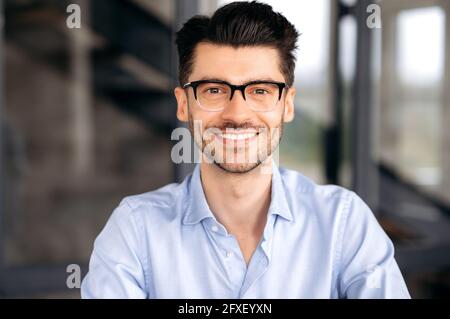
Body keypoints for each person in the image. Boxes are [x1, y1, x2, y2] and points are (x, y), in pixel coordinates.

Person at [81, 1, 410, 298]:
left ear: (287, 104)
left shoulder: (343, 222)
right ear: (184, 104)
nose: (237, 114)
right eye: (213, 90)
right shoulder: (135, 230)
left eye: (260, 90)